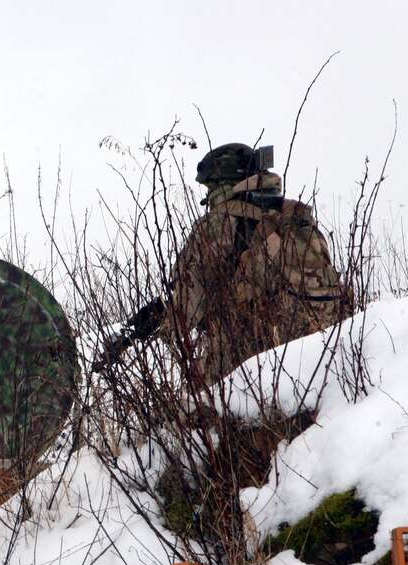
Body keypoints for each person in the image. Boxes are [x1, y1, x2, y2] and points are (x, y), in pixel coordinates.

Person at [99, 142, 351, 384]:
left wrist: (144, 331)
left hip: (249, 366)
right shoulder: (298, 220)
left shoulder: (215, 225)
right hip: (319, 359)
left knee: (192, 412)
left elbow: (185, 311)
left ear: (221, 184)